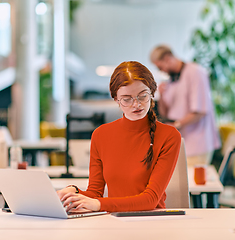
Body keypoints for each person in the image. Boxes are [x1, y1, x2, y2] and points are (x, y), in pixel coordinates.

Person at [57, 61, 181, 213]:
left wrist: (99, 205)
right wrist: (73, 192)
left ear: (152, 93)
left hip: (151, 222)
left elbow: (150, 200)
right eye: (127, 99)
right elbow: (95, 193)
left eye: (142, 96)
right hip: (114, 221)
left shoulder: (169, 136)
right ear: (116, 99)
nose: (136, 104)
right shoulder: (101, 135)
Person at [150, 44, 221, 166]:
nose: (161, 71)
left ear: (167, 58)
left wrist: (176, 125)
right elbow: (165, 112)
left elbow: (199, 111)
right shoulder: (172, 79)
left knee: (192, 182)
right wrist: (161, 96)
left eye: (160, 67)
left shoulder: (195, 72)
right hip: (182, 142)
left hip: (197, 143)